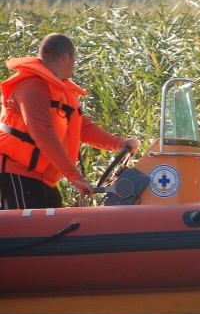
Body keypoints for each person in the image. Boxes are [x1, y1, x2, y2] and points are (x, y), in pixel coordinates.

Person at [0, 33, 140, 209]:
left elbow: (83, 127)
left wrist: (120, 143)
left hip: (42, 178)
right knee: (31, 232)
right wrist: (75, 177)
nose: (74, 67)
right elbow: (43, 134)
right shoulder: (31, 87)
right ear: (66, 57)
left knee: (54, 226)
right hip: (18, 173)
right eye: (74, 60)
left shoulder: (60, 89)